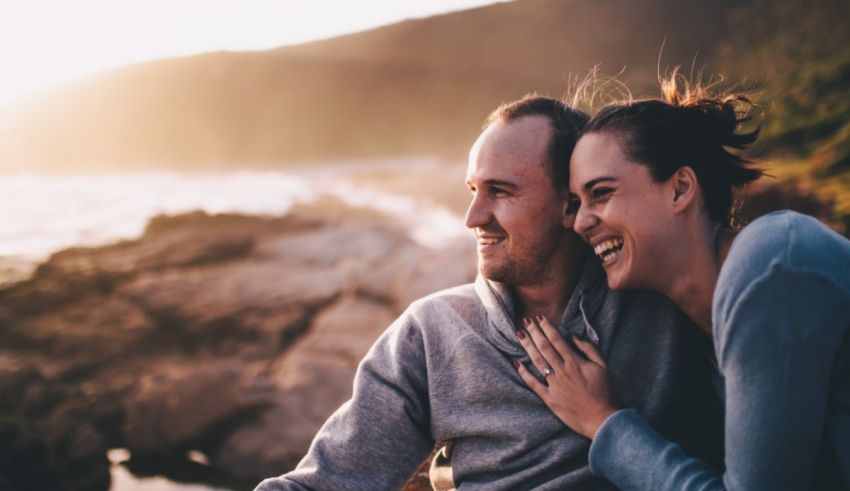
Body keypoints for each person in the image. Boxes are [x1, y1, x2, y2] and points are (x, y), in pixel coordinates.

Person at [255, 95, 722, 491]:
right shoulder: (433, 331)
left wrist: (608, 422)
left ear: (570, 204)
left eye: (500, 191)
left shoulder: (667, 304)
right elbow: (324, 482)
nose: (473, 217)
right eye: (473, 189)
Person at [515, 76, 850, 490]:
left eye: (601, 193)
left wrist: (604, 421)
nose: (581, 222)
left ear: (680, 189)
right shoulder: (694, 326)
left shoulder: (772, 268)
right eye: (576, 203)